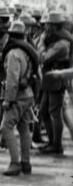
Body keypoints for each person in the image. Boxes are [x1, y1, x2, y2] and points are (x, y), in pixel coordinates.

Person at [1, 20, 38, 176]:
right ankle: (25, 162)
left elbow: (12, 80)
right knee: (23, 128)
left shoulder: (13, 54)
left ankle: (14, 162)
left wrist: (8, 100)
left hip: (17, 96)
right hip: (28, 93)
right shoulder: (28, 51)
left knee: (6, 127)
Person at [39, 11, 70, 155]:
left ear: (54, 26)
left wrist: (41, 42)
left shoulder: (62, 43)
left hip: (56, 80)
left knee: (54, 113)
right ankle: (51, 141)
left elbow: (44, 57)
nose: (45, 27)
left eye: (48, 24)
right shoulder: (55, 39)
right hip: (50, 78)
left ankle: (56, 144)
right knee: (44, 112)